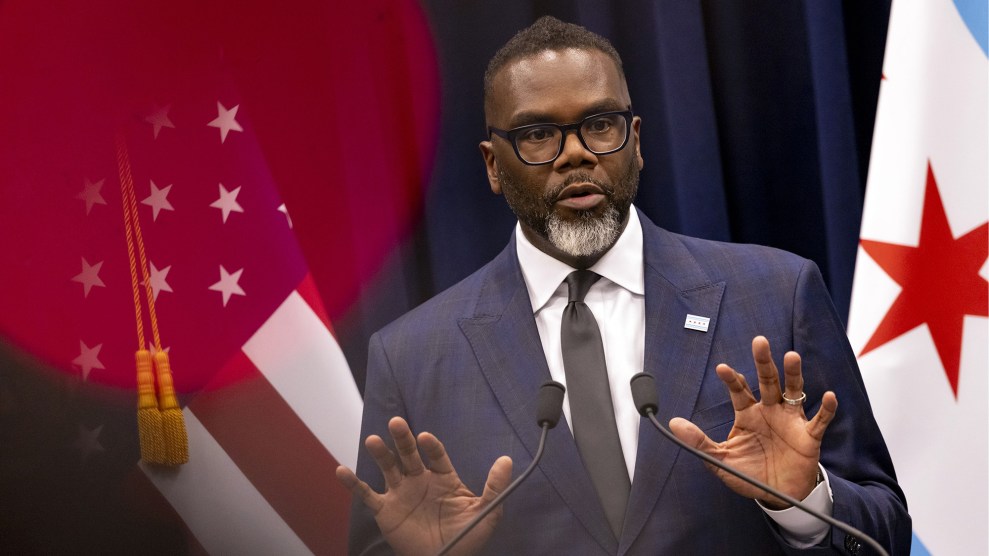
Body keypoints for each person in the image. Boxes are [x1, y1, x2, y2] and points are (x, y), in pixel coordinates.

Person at [336, 16, 910, 555]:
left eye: (599, 125)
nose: (576, 153)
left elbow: (885, 528)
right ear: (492, 165)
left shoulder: (776, 294)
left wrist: (804, 503)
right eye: (538, 134)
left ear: (636, 141)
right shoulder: (411, 357)